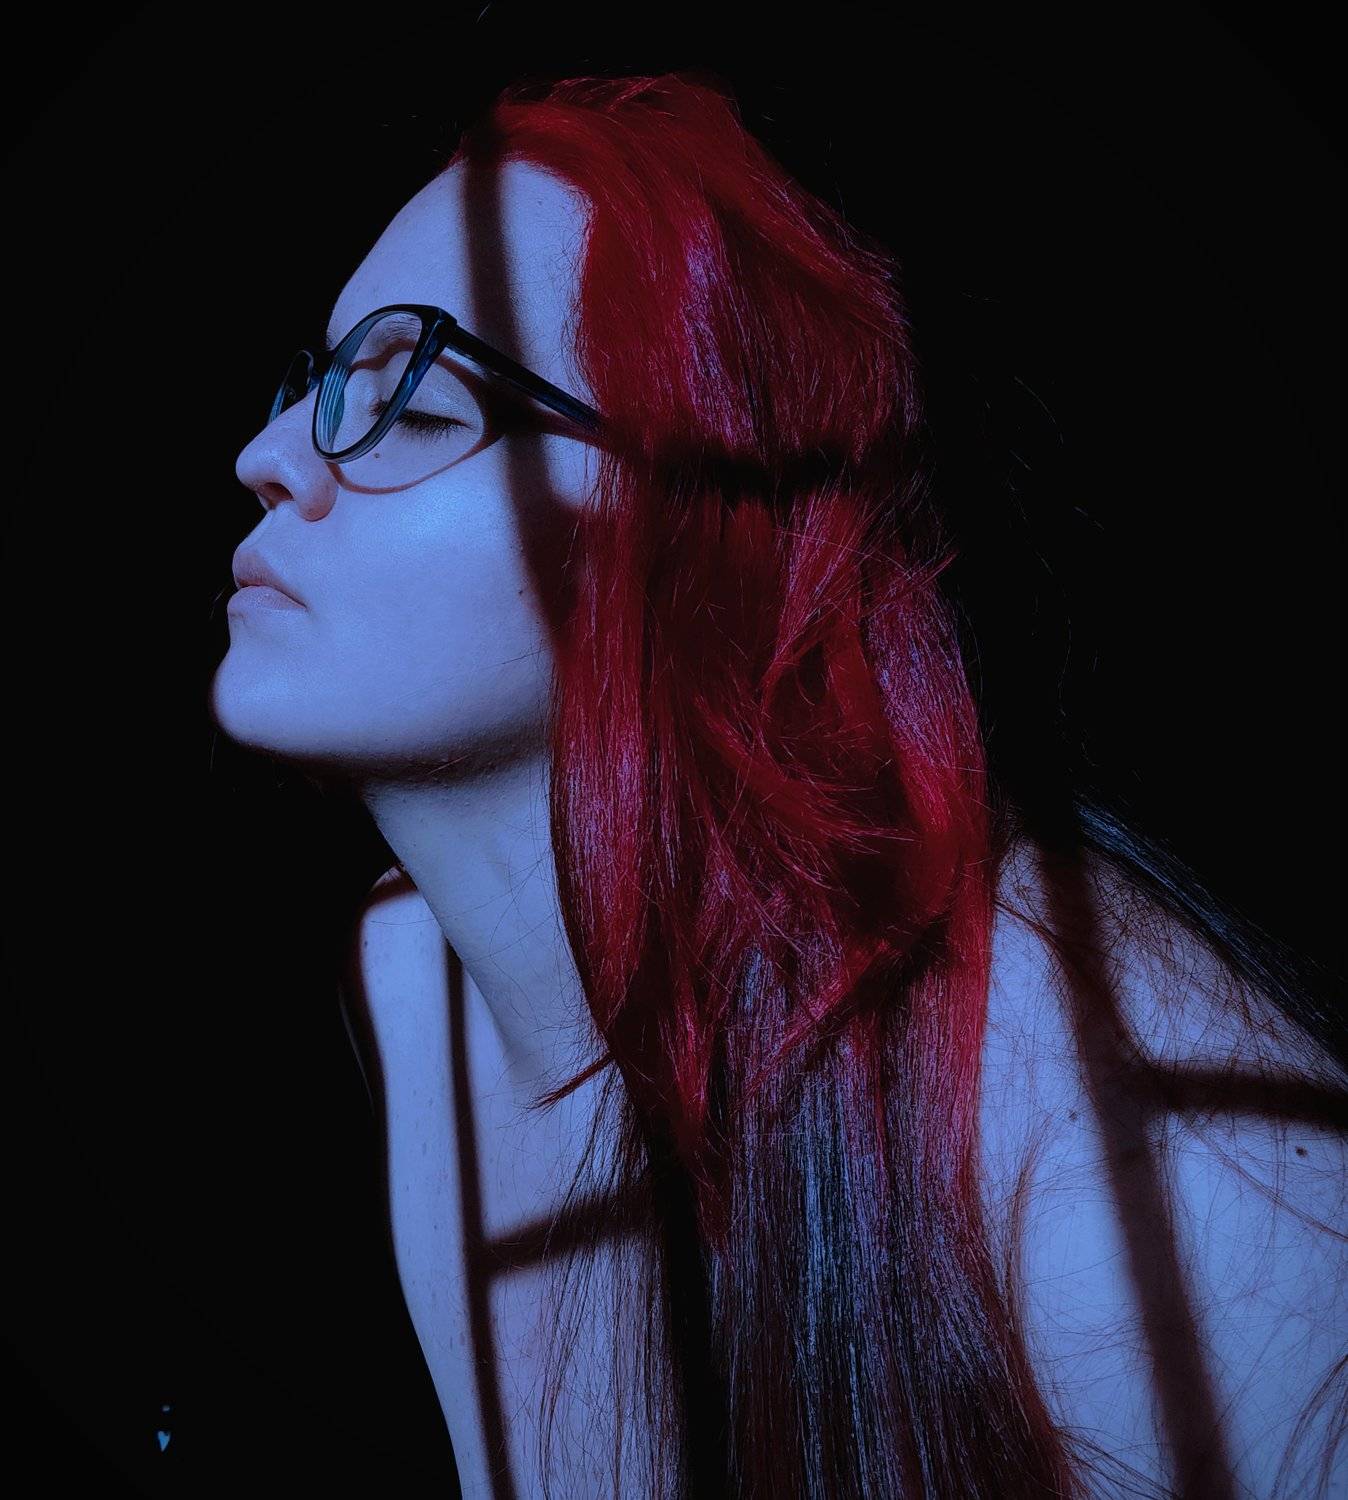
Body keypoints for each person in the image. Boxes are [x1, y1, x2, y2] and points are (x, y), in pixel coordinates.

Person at [210, 72, 1346, 1500]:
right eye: (314, 384)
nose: (266, 459)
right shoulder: (409, 985)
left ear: (703, 527)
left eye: (418, 407)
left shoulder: (1133, 1154)